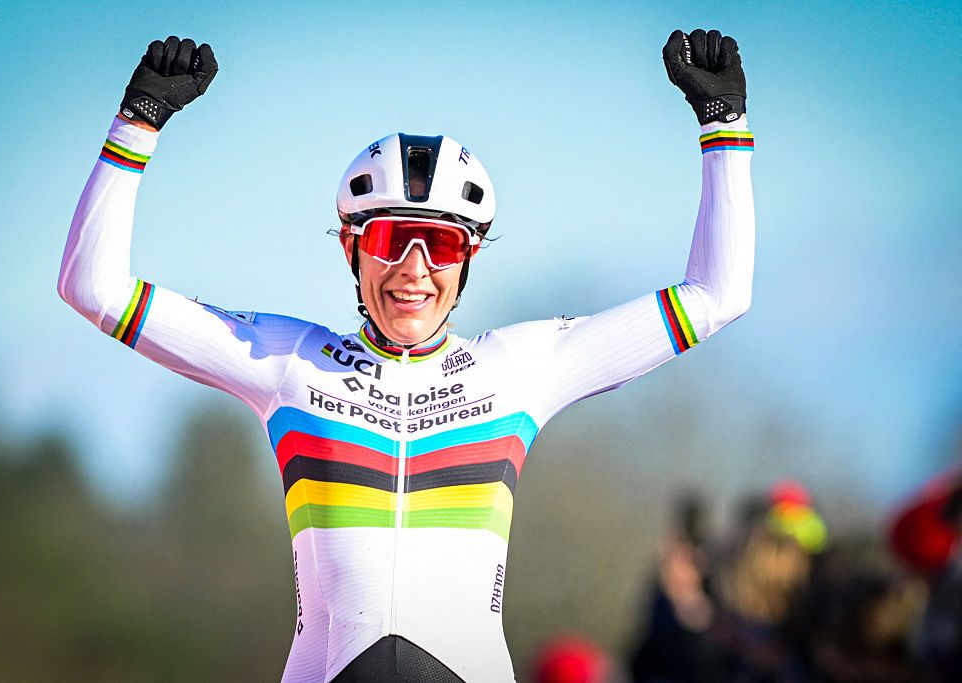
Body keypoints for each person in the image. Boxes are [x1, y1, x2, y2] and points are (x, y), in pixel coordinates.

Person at [58, 29, 755, 683]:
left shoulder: (523, 367)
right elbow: (92, 288)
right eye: (392, 237)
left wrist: (724, 127)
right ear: (350, 247)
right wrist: (136, 124)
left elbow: (718, 294)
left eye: (443, 244)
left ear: (470, 256)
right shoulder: (286, 359)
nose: (414, 267)